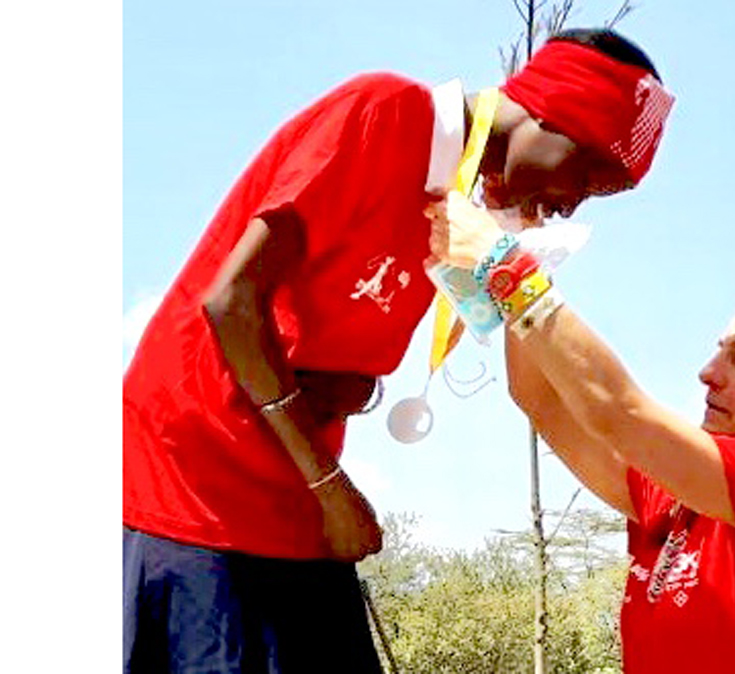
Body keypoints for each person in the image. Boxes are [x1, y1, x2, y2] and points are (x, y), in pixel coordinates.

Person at [122, 28, 674, 674]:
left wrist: (355, 386)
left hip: (296, 497)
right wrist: (333, 490)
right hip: (195, 485)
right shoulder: (385, 113)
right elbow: (231, 304)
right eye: (586, 173)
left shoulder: (459, 218)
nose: (570, 204)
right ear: (547, 112)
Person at [427, 203, 735, 672]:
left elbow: (619, 412)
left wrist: (504, 265)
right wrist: (519, 232)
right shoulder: (673, 499)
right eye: (720, 351)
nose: (708, 374)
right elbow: (540, 398)